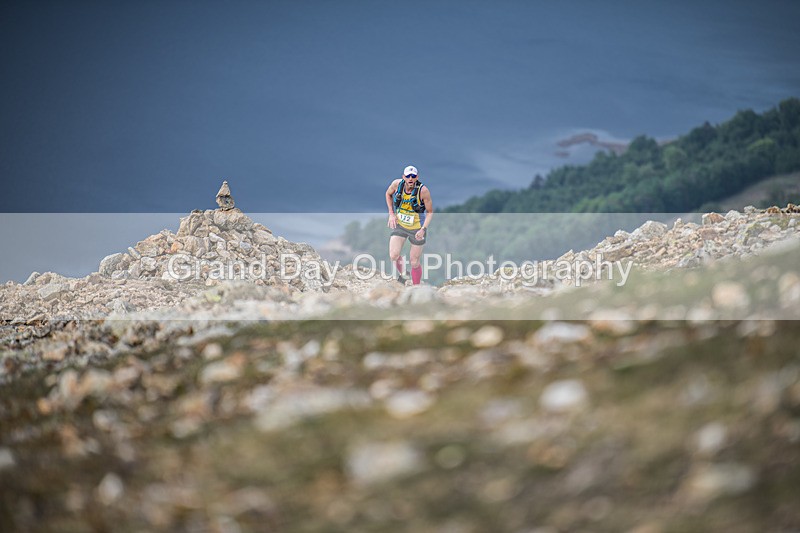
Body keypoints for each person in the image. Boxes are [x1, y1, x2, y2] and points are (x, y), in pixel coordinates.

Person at [385, 164, 433, 285]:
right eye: (408, 176)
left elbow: (430, 212)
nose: (410, 179)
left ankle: (416, 287)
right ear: (403, 177)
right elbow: (388, 194)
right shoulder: (397, 184)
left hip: (417, 228)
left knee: (414, 261)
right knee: (393, 255)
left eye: (413, 176)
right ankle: (404, 275)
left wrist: (423, 229)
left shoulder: (423, 191)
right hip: (400, 225)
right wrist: (391, 213)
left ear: (417, 177)